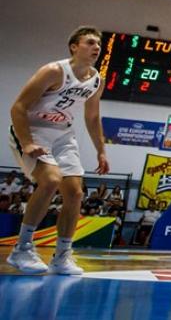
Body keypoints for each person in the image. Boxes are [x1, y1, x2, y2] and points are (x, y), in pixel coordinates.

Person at [6, 26, 109, 275]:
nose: (96, 47)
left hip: (62, 133)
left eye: (98, 43)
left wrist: (101, 150)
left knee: (75, 193)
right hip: (32, 130)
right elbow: (18, 107)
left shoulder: (97, 80)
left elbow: (92, 118)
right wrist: (27, 142)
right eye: (90, 42)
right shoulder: (54, 71)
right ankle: (21, 248)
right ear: (74, 46)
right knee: (51, 180)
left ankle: (62, 256)